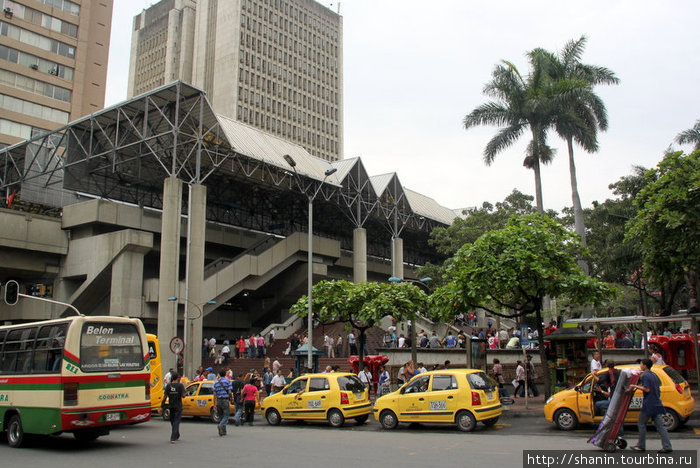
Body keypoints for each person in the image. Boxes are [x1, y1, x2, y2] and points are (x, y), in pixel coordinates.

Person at [630, 359, 672, 453]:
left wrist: (635, 386)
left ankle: (641, 445)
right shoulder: (653, 375)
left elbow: (647, 389)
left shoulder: (646, 376)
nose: (640, 365)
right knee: (661, 426)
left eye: (641, 364)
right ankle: (667, 446)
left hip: (649, 404)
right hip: (656, 402)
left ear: (645, 365)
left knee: (641, 424)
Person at [162, 372, 185, 443]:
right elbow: (183, 396)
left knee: (173, 421)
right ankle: (174, 436)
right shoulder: (180, 386)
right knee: (176, 421)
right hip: (178, 406)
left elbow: (165, 397)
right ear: (177, 378)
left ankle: (175, 435)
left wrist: (161, 406)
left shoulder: (169, 386)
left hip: (171, 406)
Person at [212, 369, 233, 436]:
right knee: (226, 414)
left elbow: (214, 394)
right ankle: (221, 425)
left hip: (218, 400)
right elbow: (229, 392)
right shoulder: (228, 381)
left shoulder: (216, 382)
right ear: (225, 374)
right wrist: (231, 398)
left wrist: (214, 404)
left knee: (221, 415)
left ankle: (223, 431)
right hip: (225, 399)